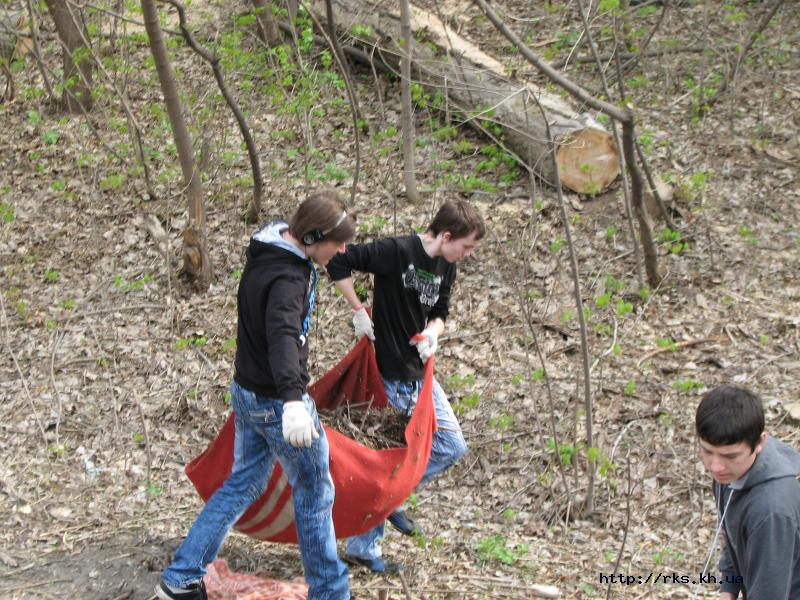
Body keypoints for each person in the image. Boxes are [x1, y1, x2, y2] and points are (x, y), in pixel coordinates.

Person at [156, 190, 356, 600]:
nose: (344, 251)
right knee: (315, 493)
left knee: (242, 484)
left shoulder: (271, 247)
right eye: (338, 244)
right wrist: (293, 401)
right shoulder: (287, 278)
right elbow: (282, 337)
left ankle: (179, 579)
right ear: (314, 236)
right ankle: (331, 593)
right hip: (275, 401)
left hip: (246, 390)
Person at [326, 199, 485, 573]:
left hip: (421, 373)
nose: (465, 255)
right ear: (446, 235)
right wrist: (358, 309)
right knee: (390, 459)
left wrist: (433, 332)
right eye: (465, 246)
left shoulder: (446, 266)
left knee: (450, 444)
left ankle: (394, 496)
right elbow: (338, 261)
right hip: (390, 374)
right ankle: (365, 547)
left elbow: (440, 310)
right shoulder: (397, 251)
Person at [695, 385, 800, 599]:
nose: (715, 466)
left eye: (730, 456)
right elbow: (734, 536)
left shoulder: (771, 511)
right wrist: (728, 589)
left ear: (760, 442)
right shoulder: (733, 471)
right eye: (707, 451)